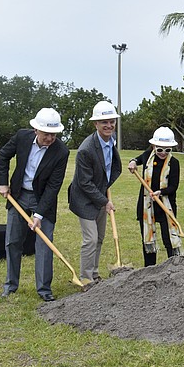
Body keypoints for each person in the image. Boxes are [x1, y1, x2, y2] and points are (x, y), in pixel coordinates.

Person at [0, 108, 69, 301]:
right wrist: (3, 183)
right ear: (36, 130)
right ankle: (10, 285)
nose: (50, 138)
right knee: (13, 241)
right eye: (46, 134)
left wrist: (39, 215)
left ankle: (44, 290)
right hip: (18, 195)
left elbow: (54, 187)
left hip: (43, 199)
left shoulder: (61, 152)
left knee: (44, 245)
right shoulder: (22, 137)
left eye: (54, 135)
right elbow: (3, 155)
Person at [68, 100, 122, 283]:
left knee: (100, 238)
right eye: (104, 122)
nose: (109, 125)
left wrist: (106, 187)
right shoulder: (86, 150)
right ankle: (85, 278)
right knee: (90, 239)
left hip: (100, 194)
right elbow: (84, 183)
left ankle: (95, 273)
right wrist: (104, 201)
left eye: (111, 121)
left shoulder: (111, 141)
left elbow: (112, 168)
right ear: (95, 124)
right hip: (84, 199)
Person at [128, 127, 182, 266]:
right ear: (153, 146)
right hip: (147, 205)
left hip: (165, 205)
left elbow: (173, 186)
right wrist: (133, 161)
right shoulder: (147, 156)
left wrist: (161, 192)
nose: (163, 153)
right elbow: (138, 159)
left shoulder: (174, 163)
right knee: (148, 238)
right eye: (159, 149)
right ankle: (149, 269)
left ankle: (174, 268)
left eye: (167, 150)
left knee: (169, 239)